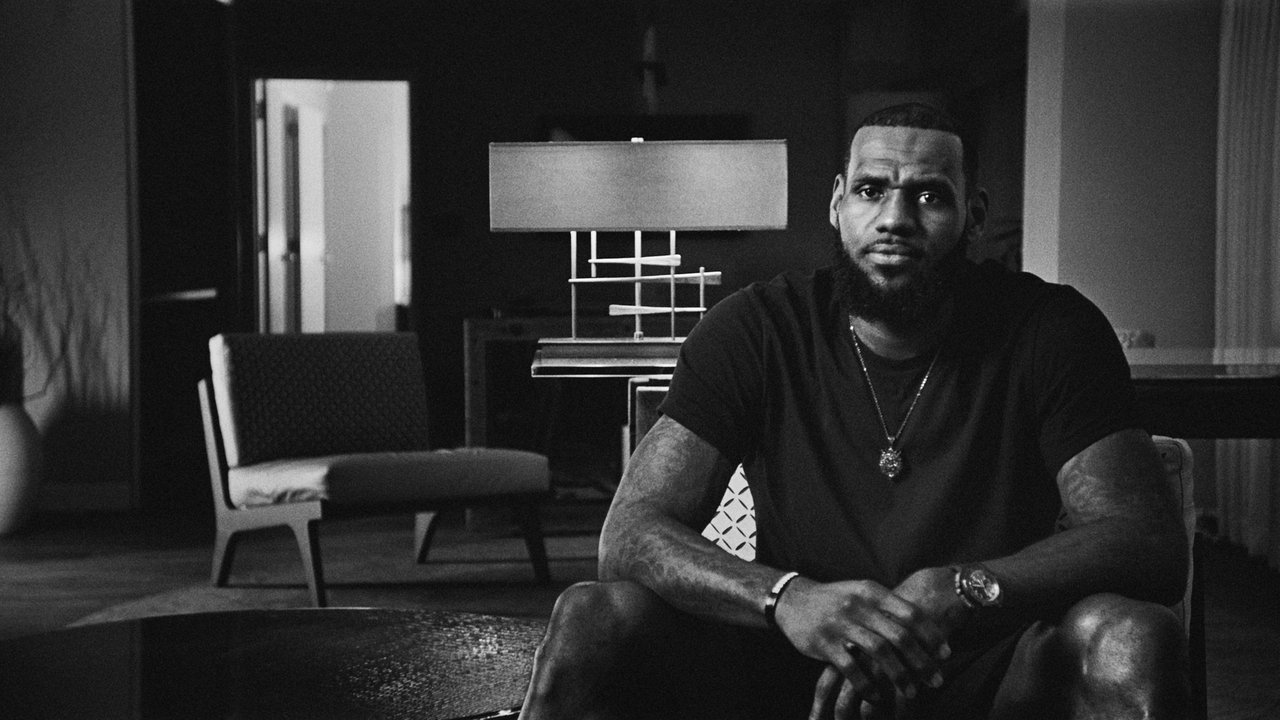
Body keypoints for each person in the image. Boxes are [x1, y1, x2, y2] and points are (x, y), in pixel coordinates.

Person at [518, 103, 1190, 720]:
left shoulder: (1052, 329)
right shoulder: (756, 329)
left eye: (930, 195)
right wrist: (787, 597)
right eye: (872, 190)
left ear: (975, 214)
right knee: (592, 617)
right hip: (788, 670)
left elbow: (1147, 541)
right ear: (838, 204)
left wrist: (965, 589)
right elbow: (629, 535)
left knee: (1132, 639)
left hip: (993, 673)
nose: (895, 218)